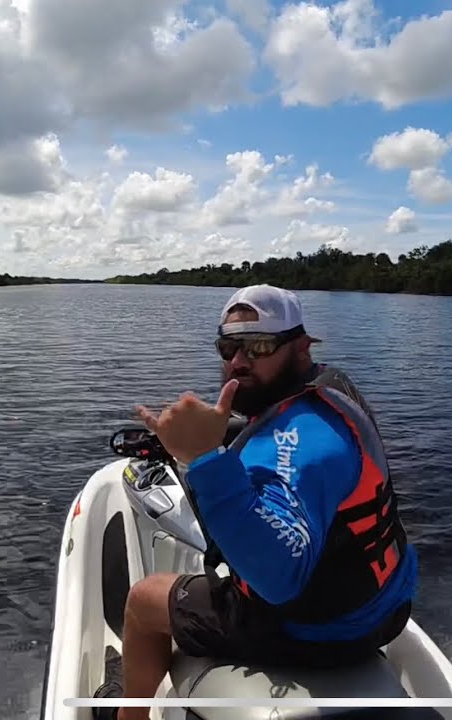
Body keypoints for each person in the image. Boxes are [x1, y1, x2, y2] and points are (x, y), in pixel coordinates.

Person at [92, 284, 419, 720]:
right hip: (383, 610)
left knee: (144, 598)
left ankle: (126, 717)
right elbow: (278, 437)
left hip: (311, 630)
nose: (238, 362)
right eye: (228, 347)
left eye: (259, 347)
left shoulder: (299, 443)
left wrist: (203, 458)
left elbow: (279, 577)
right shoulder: (329, 391)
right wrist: (218, 438)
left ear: (300, 347)